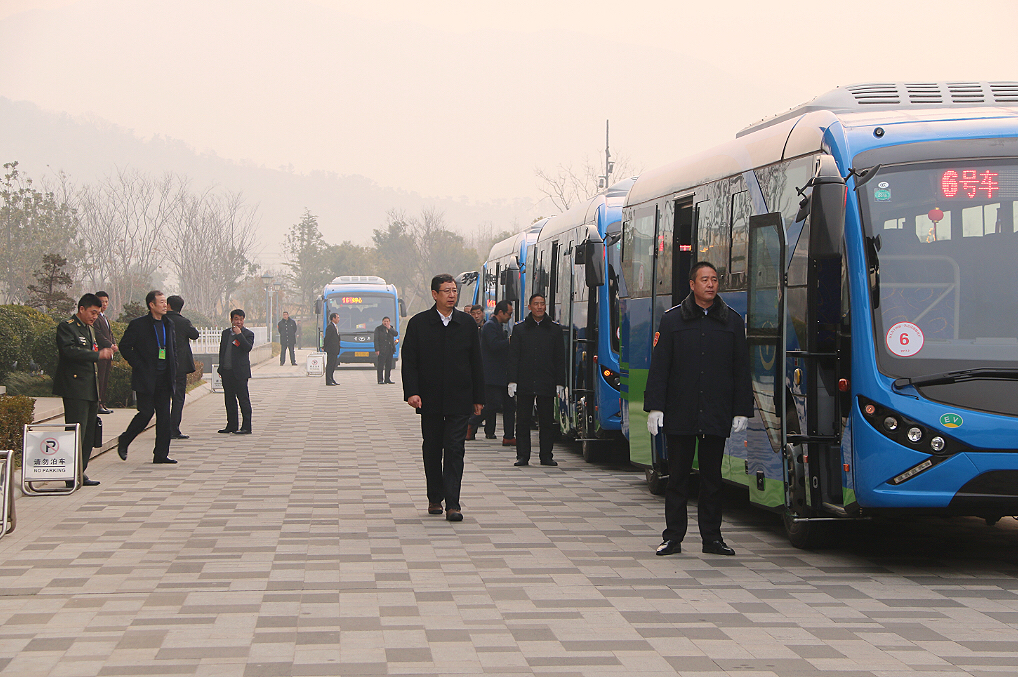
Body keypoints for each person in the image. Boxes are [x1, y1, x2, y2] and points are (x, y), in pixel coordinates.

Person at [645, 261, 753, 557]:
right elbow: (660, 367)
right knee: (678, 478)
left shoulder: (731, 321)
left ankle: (712, 538)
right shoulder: (672, 320)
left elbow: (741, 368)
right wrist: (655, 407)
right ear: (692, 285)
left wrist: (741, 409)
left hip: (715, 410)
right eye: (704, 280)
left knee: (712, 480)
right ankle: (673, 537)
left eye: (714, 279)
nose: (710, 284)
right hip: (681, 410)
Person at [402, 273, 484, 522]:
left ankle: (453, 503)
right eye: (446, 291)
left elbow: (476, 362)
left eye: (454, 291)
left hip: (460, 397)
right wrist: (412, 392)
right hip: (430, 398)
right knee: (432, 447)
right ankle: (434, 498)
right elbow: (410, 362)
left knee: (455, 448)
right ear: (434, 294)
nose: (451, 295)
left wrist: (478, 397)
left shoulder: (466, 324)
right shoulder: (419, 324)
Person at [53, 293, 114, 487]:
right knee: (76, 432)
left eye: (97, 313)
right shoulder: (67, 326)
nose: (95, 316)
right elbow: (69, 351)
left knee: (89, 433)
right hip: (75, 388)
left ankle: (80, 470)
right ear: (81, 309)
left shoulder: (89, 329)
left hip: (90, 388)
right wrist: (97, 355)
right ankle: (70, 474)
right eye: (92, 312)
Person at [117, 290, 178, 464]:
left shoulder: (169, 323)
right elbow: (125, 346)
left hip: (164, 377)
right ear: (151, 305)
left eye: (165, 302)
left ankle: (161, 454)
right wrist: (139, 364)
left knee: (164, 417)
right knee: (146, 413)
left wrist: (174, 368)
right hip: (146, 376)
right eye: (161, 302)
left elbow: (173, 348)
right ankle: (125, 439)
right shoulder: (139, 324)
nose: (165, 305)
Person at [507, 294, 565, 467]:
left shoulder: (554, 329)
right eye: (536, 304)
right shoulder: (520, 329)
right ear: (529, 307)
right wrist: (512, 380)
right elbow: (513, 357)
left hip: (546, 380)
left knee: (546, 421)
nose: (539, 307)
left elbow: (560, 358)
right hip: (525, 381)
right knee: (523, 421)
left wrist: (560, 382)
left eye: (542, 304)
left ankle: (546, 455)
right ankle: (522, 455)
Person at [479, 300, 516, 445]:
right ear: (500, 312)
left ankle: (509, 436)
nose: (510, 317)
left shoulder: (497, 325)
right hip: (492, 373)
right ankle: (472, 422)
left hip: (501, 373)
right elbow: (493, 345)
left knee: (509, 405)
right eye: (509, 314)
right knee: (494, 404)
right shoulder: (489, 326)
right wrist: (510, 342)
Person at [166, 295, 200, 440]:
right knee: (178, 398)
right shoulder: (184, 322)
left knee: (163, 398)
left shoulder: (161, 320)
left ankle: (163, 428)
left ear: (168, 305)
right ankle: (174, 429)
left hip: (163, 365)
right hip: (180, 366)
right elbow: (195, 335)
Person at [217, 309, 255, 434]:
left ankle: (246, 427)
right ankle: (231, 425)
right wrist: (221, 368)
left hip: (240, 372)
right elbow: (222, 351)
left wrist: (239, 334)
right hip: (226, 372)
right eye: (236, 319)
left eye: (241, 319)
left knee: (243, 399)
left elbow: (247, 348)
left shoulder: (248, 334)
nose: (238, 322)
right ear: (231, 320)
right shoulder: (225, 333)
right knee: (229, 400)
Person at [94, 290, 117, 414]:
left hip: (108, 352)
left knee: (105, 379)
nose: (104, 304)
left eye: (106, 301)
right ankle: (98, 404)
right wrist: (109, 345)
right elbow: (98, 334)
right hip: (101, 352)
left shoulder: (105, 317)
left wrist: (114, 344)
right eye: (102, 301)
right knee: (100, 379)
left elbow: (110, 333)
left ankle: (103, 402)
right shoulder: (95, 317)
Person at [373, 316, 398, 384]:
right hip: (382, 350)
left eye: (387, 321)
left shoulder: (391, 328)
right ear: (382, 322)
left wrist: (389, 328)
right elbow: (376, 340)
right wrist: (377, 349)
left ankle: (387, 379)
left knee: (388, 365)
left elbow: (396, 334)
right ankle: (380, 379)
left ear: (389, 322)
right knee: (380, 365)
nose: (386, 323)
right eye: (385, 321)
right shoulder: (378, 329)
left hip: (390, 350)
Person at [323, 312, 340, 386]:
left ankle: (331, 378)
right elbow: (327, 338)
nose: (339, 319)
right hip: (331, 349)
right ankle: (328, 380)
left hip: (335, 349)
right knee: (330, 365)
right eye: (337, 317)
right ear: (333, 318)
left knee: (333, 365)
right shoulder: (330, 327)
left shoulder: (335, 326)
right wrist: (324, 347)